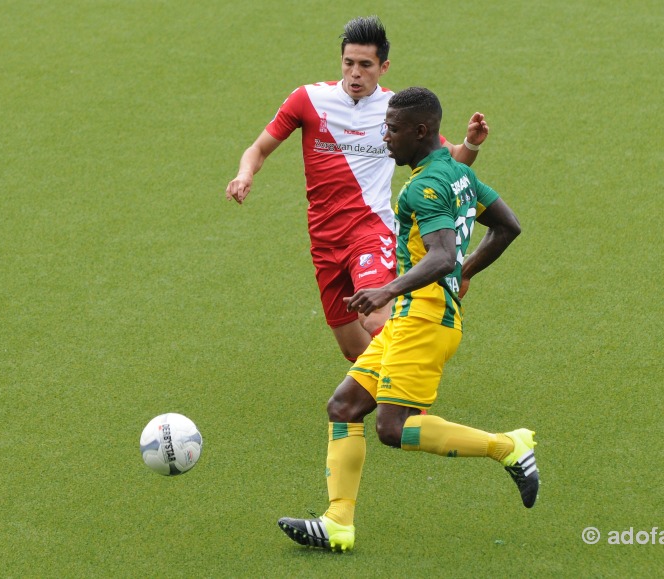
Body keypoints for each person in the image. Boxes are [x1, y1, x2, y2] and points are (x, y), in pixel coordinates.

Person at [276, 87, 537, 553]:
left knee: (393, 428)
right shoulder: (457, 173)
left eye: (393, 129)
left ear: (420, 131)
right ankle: (337, 522)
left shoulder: (425, 186)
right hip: (411, 317)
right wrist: (465, 273)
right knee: (344, 407)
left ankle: (508, 446)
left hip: (424, 318)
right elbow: (506, 226)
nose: (385, 137)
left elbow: (440, 256)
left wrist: (388, 287)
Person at [225, 16, 489, 362]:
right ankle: (401, 377)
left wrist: (471, 143)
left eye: (366, 65)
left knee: (375, 316)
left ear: (384, 67)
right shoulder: (308, 100)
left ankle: (412, 403)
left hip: (370, 230)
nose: (355, 73)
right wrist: (245, 174)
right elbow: (257, 149)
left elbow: (453, 159)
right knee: (354, 348)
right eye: (349, 63)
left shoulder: (396, 111)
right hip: (323, 238)